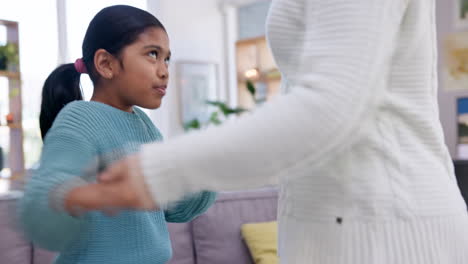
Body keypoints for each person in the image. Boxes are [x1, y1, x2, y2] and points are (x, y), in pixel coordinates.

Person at [65, 0, 468, 263]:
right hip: (332, 223)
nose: (163, 69)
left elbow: (331, 109)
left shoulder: (143, 132)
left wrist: (163, 171)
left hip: (383, 227)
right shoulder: (83, 122)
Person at [18, 5, 216, 264]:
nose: (164, 70)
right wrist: (103, 194)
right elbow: (42, 204)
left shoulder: (143, 124)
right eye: (152, 54)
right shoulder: (80, 118)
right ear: (106, 64)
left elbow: (174, 206)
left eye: (166, 58)